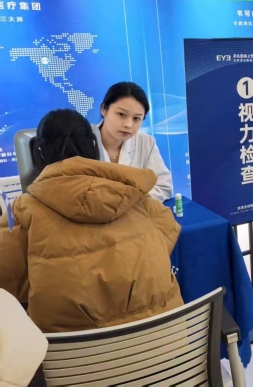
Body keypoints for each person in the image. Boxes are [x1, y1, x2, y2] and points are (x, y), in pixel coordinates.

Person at [0, 109, 183, 333]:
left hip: (75, 354)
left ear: (38, 152)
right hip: (167, 347)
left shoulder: (22, 210)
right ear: (94, 146)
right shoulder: (135, 196)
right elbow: (167, 235)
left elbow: (8, 281)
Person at [98, 82, 173, 201]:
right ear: (104, 109)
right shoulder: (79, 141)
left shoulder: (146, 142)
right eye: (121, 114)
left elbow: (163, 186)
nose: (128, 125)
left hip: (136, 210)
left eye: (136, 118)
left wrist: (129, 202)